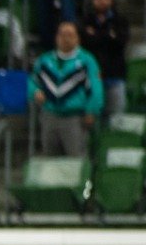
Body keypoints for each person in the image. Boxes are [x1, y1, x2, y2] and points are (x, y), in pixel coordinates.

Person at [28, 21, 102, 157]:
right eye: (62, 35)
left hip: (74, 117)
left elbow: (96, 89)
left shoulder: (87, 61)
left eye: (70, 35)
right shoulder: (45, 60)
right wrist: (35, 92)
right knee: (50, 161)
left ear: (77, 38)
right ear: (56, 37)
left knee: (76, 159)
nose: (65, 38)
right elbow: (33, 81)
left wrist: (91, 110)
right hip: (50, 116)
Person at [80, 0, 128, 119]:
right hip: (91, 79)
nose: (101, 0)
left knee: (116, 121)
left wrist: (95, 35)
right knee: (91, 120)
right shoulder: (85, 20)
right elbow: (85, 44)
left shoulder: (120, 21)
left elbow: (120, 43)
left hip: (115, 77)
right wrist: (108, 35)